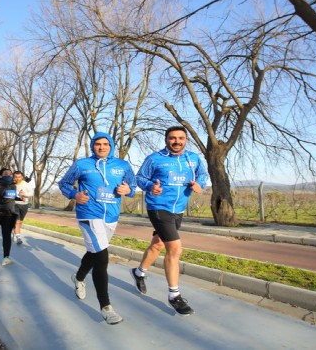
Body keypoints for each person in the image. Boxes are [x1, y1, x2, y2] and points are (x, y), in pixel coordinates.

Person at [59, 132, 136, 325]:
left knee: (94, 253)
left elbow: (133, 187)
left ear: (110, 146)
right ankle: (106, 307)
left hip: (111, 216)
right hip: (88, 214)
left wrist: (128, 190)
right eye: (97, 144)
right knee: (102, 257)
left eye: (105, 144)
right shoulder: (82, 164)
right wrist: (75, 195)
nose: (101, 147)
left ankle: (78, 278)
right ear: (93, 146)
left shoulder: (122, 166)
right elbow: (64, 183)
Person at [130, 126, 208, 316]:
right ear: (166, 140)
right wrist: (150, 187)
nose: (176, 141)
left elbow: (203, 175)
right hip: (158, 207)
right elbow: (139, 177)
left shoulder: (194, 158)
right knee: (174, 248)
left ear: (186, 140)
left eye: (181, 138)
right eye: (172, 138)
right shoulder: (155, 158)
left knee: (157, 245)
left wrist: (201, 185)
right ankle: (174, 295)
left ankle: (139, 272)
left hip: (178, 209)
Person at [12, 170, 33, 245]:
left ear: (22, 177)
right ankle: (18, 238)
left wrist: (25, 194)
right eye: (16, 177)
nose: (17, 178)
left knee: (20, 222)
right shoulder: (12, 184)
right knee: (17, 221)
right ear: (13, 177)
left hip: (24, 205)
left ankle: (15, 231)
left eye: (19, 177)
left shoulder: (26, 184)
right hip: (15, 204)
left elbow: (31, 193)